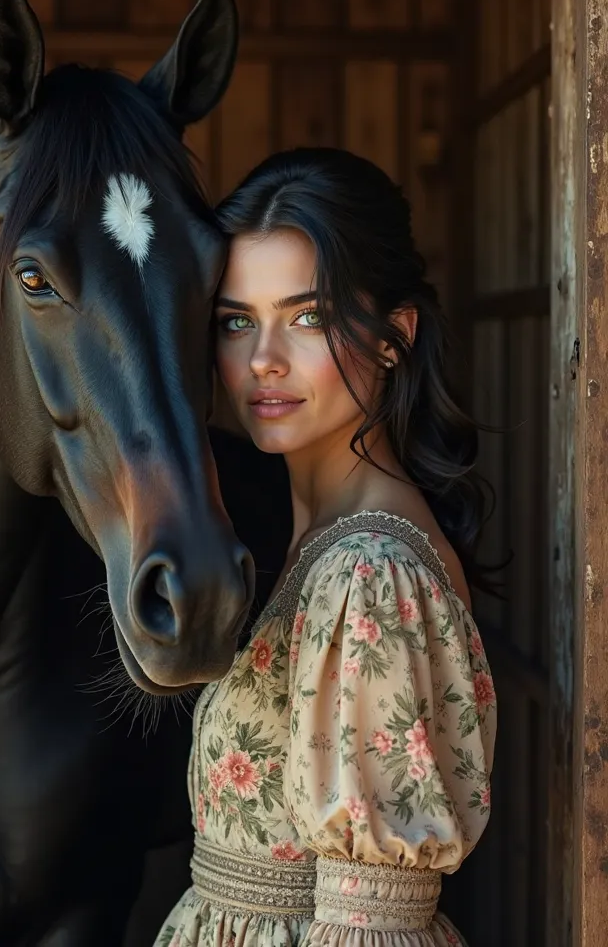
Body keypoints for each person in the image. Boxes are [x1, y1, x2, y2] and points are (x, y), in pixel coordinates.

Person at [154, 148, 496, 947]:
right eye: (237, 321)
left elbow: (370, 928)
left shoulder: (370, 574)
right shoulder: (314, 539)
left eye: (307, 317)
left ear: (392, 338)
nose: (263, 359)